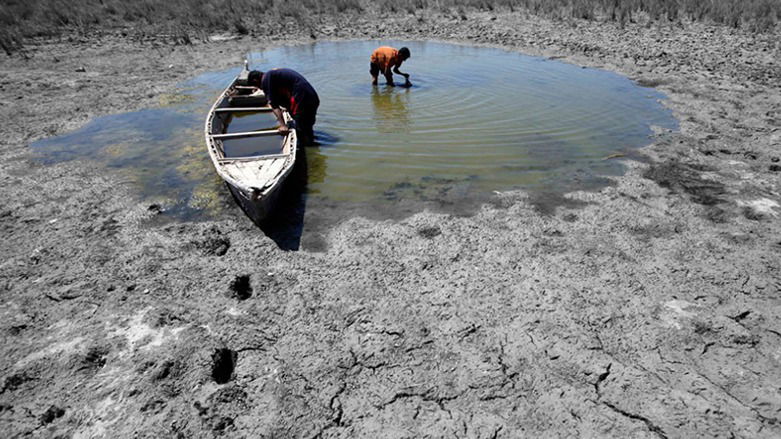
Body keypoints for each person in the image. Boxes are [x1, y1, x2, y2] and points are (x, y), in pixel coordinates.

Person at [247, 68, 320, 145]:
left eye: (257, 86)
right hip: (312, 97)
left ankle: (307, 148)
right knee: (307, 127)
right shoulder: (273, 75)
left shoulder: (266, 80)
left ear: (256, 80)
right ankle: (312, 144)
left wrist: (283, 125)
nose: (260, 88)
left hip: (302, 98)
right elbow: (283, 98)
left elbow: (274, 105)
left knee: (301, 129)